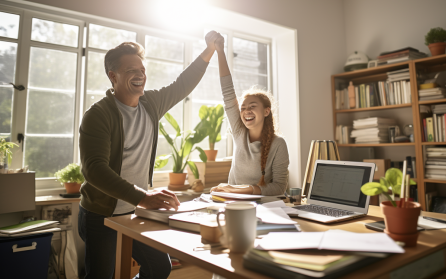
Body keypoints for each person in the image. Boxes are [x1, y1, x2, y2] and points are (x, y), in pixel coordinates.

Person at [78, 31, 222, 279]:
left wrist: (210, 50)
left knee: (159, 267)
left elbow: (183, 84)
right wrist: (143, 197)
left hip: (135, 212)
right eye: (131, 70)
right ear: (113, 76)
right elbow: (94, 170)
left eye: (142, 69)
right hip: (100, 215)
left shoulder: (151, 103)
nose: (140, 75)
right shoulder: (98, 115)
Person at [210, 35, 289, 196]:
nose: (246, 111)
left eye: (253, 106)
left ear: (266, 111)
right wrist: (220, 52)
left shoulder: (278, 144)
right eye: (243, 107)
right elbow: (227, 92)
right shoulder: (239, 132)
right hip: (231, 201)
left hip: (261, 206)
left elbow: (280, 187)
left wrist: (244, 189)